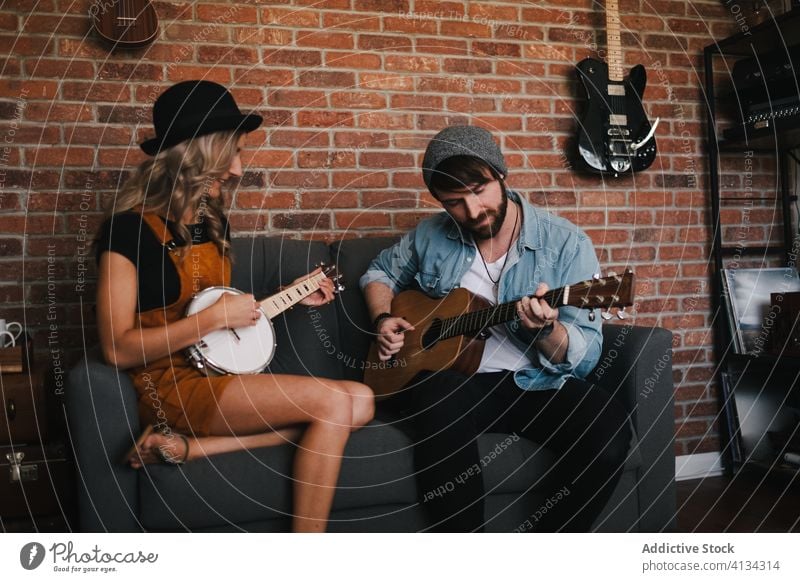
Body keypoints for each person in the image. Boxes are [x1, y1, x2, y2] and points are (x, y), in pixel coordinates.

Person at [95, 80, 374, 533]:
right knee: (332, 404)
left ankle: (193, 448)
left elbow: (214, 327)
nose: (239, 170)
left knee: (361, 400)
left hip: (214, 373)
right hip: (168, 385)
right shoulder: (126, 233)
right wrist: (213, 318)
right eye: (233, 153)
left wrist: (291, 294)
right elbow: (116, 350)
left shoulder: (208, 224)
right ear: (200, 154)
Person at [360, 125, 631, 532]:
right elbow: (379, 272)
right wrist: (384, 318)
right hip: (457, 385)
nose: (473, 211)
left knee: (609, 432)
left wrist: (546, 332)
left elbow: (586, 357)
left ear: (500, 174)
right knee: (440, 393)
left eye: (480, 190)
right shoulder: (432, 235)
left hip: (536, 383)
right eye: (455, 202)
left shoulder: (566, 243)